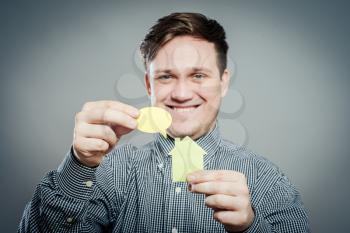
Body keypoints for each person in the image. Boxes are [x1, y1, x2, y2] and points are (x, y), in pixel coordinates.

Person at [18, 12, 310, 232]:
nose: (182, 94)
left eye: (198, 75)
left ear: (223, 83)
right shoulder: (109, 172)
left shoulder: (266, 180)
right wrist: (79, 164)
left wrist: (250, 226)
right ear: (149, 85)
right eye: (166, 76)